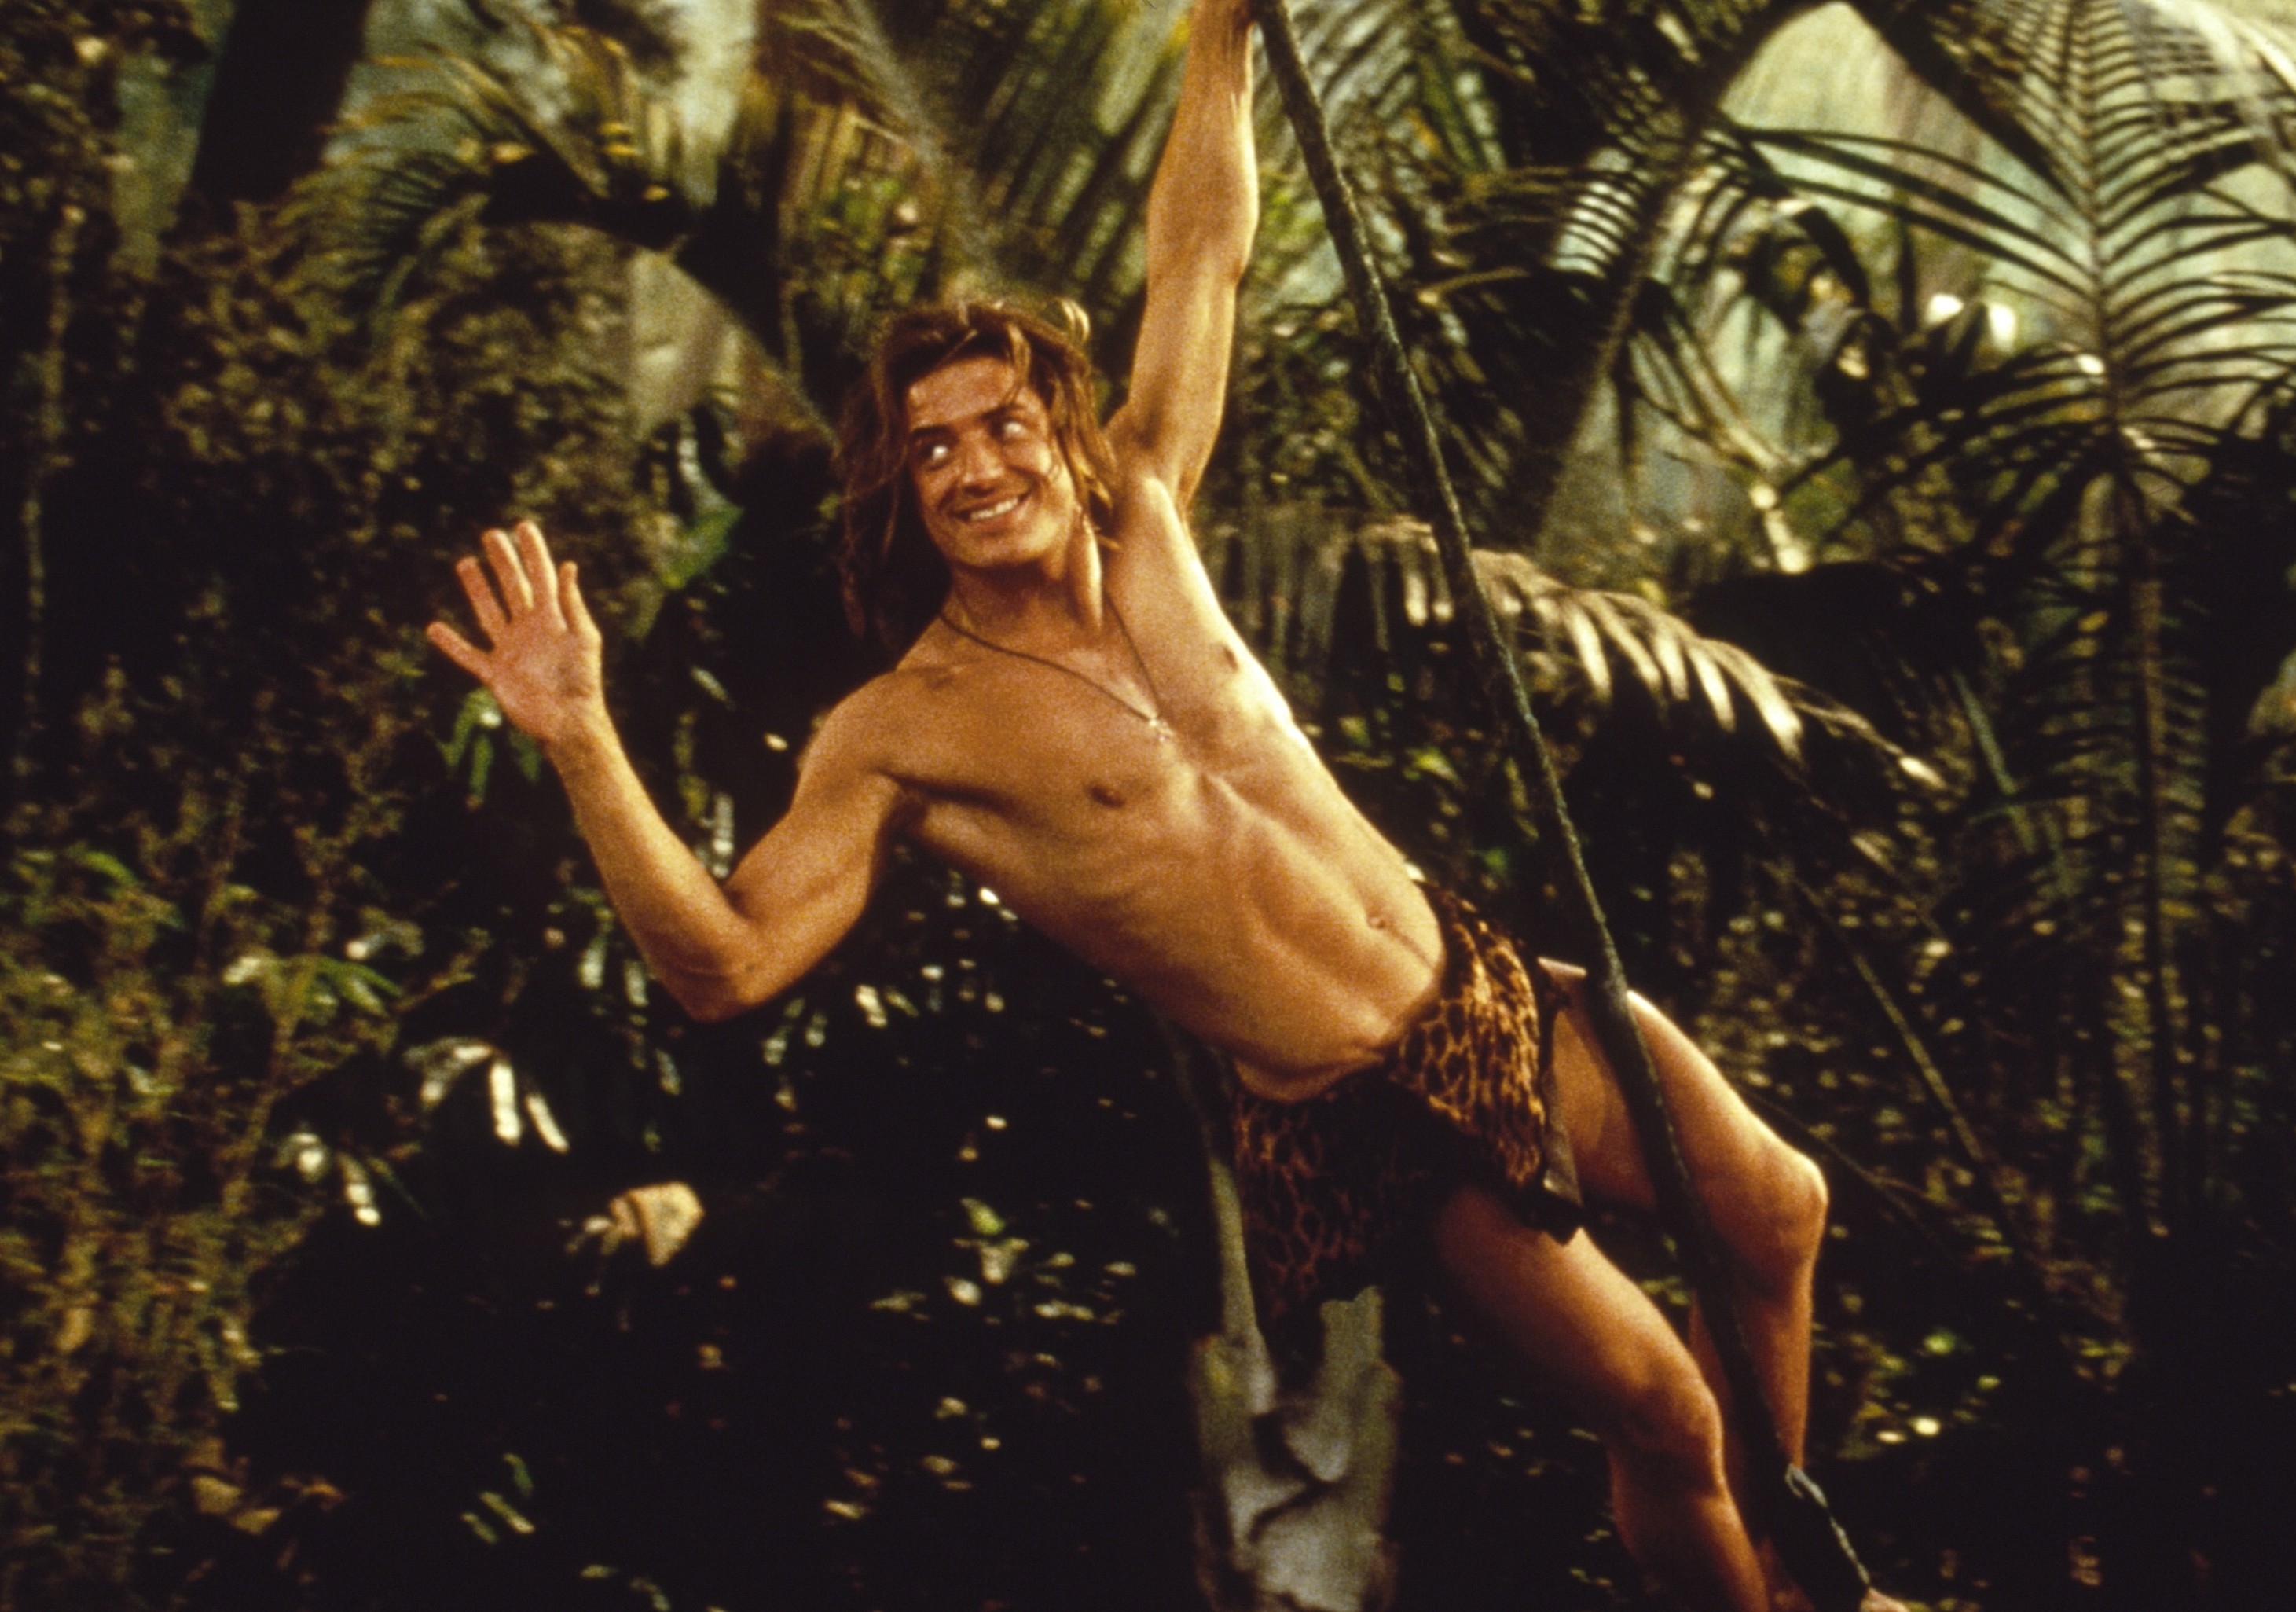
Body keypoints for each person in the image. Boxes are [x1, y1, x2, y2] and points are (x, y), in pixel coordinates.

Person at [427, 4, 1898, 1607]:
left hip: (1476, 982)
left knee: (1776, 1207)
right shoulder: (903, 729)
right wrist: (584, 738)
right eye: (933, 450)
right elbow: (722, 967)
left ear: (1063, 431)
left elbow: (1201, 253)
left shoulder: (1147, 516)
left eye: (1003, 425)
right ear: (905, 487)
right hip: (1366, 1111)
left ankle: (1797, 1564)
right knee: (1665, 1412)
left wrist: (1220, 37)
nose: (975, 466)